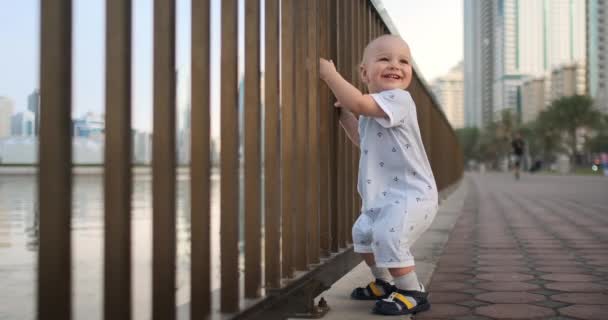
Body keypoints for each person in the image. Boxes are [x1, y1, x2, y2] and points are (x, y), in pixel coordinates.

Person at [319, 34, 438, 316]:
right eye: (384, 59)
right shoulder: (374, 110)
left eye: (403, 61)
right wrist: (346, 116)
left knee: (387, 234)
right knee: (363, 233)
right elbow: (362, 139)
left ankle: (412, 291)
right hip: (383, 197)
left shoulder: (399, 99)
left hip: (413, 193)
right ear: (364, 72)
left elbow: (360, 103)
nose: (395, 65)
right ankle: (384, 282)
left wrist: (330, 76)